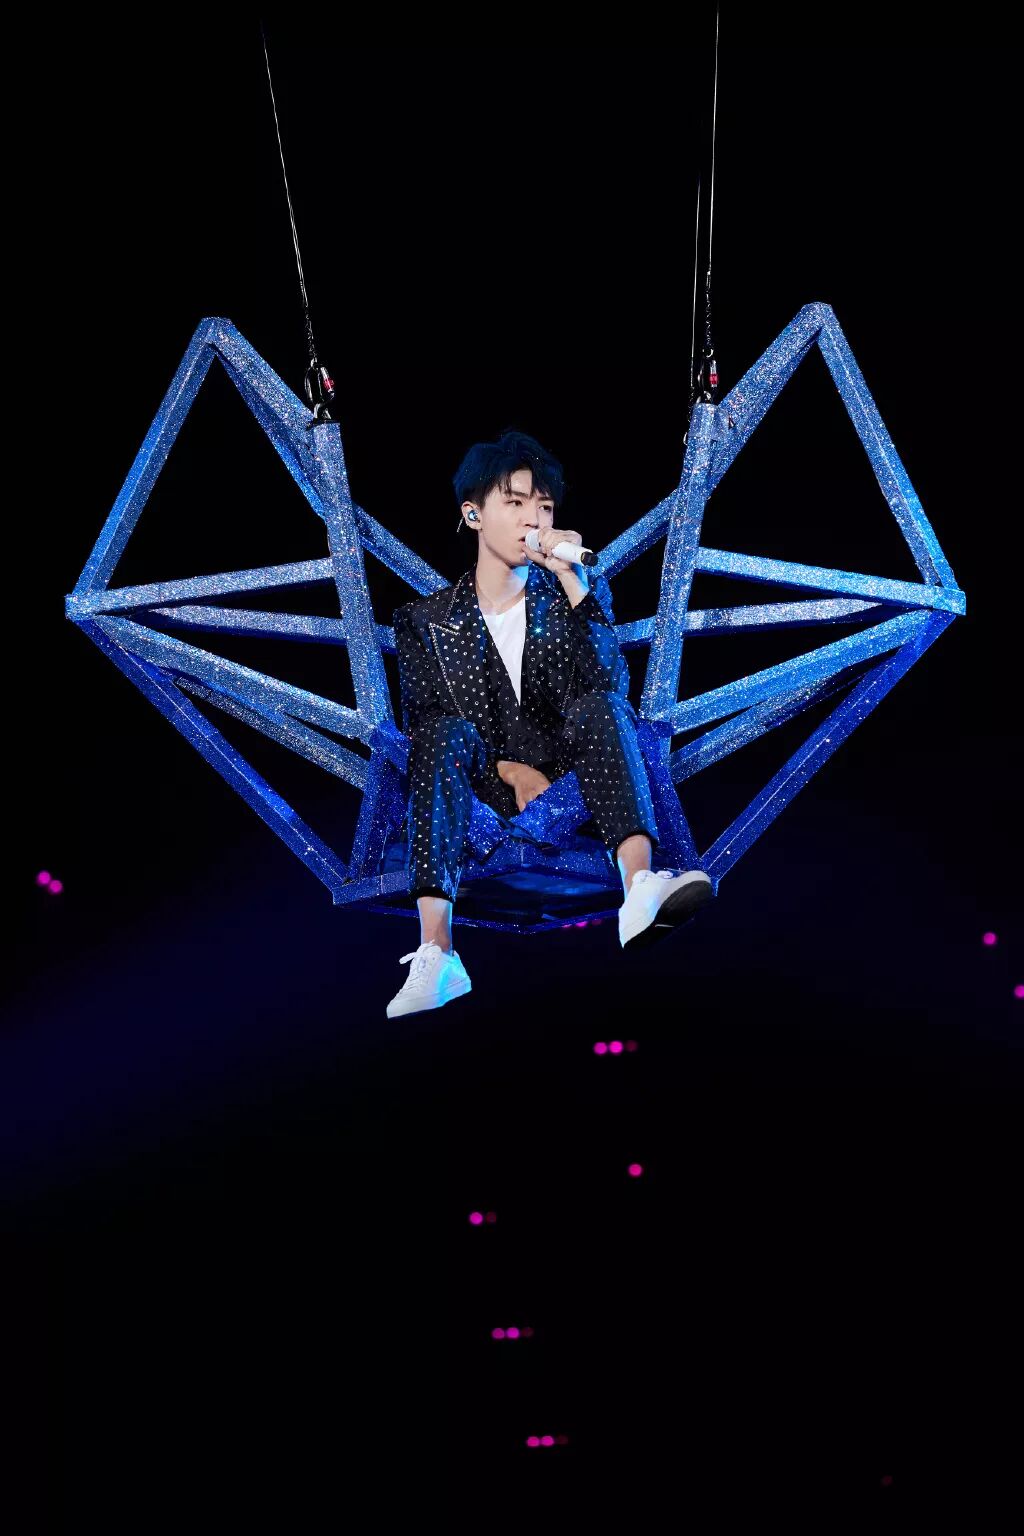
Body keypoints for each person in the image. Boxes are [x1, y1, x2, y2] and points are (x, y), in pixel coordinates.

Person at [387, 428, 712, 1017]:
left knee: (604, 706)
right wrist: (510, 770)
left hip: (573, 791)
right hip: (479, 799)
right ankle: (437, 951)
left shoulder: (572, 594)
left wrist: (573, 581)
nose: (531, 519)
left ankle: (639, 889)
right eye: (514, 502)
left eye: (543, 506)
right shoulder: (423, 620)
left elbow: (609, 688)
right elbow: (425, 718)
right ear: (474, 514)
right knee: (438, 734)